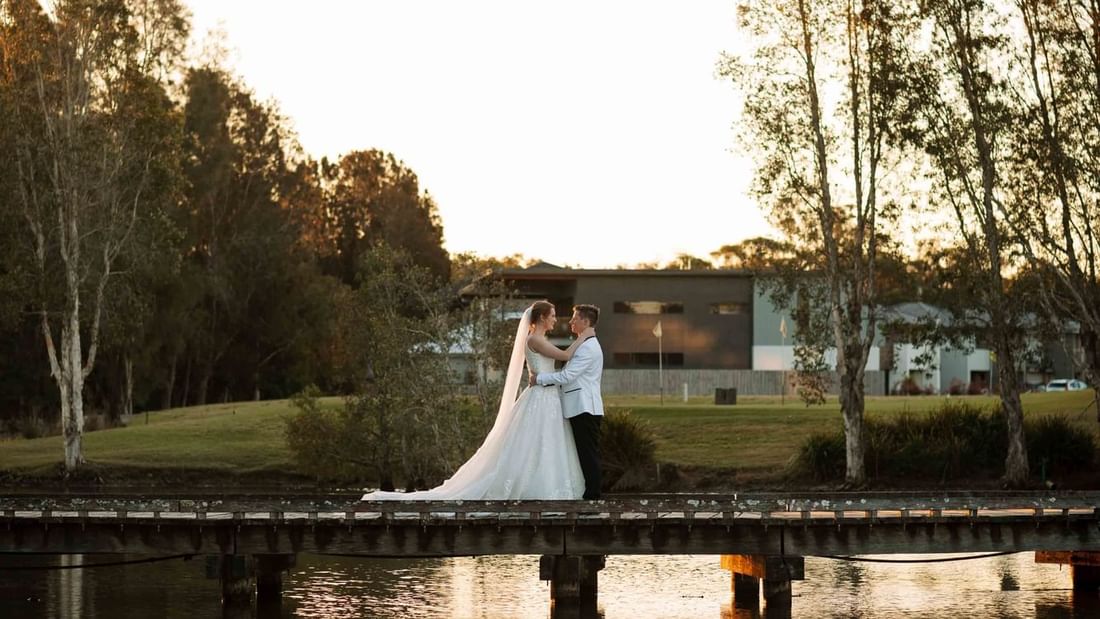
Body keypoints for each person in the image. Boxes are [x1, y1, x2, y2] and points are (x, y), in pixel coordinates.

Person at [361, 301, 592, 501]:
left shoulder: (540, 338)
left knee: (547, 443)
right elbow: (564, 356)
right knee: (533, 442)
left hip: (548, 396)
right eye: (552, 315)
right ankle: (533, 488)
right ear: (542, 317)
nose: (555, 319)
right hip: (540, 398)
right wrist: (584, 336)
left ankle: (551, 486)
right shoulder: (535, 340)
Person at [532, 304, 604, 500]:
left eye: (575, 318)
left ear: (586, 322)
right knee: (585, 451)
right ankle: (590, 493)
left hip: (584, 407)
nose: (571, 321)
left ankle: (593, 496)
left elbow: (568, 376)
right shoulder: (585, 343)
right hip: (582, 405)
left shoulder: (588, 347)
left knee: (587, 452)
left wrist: (539, 379)